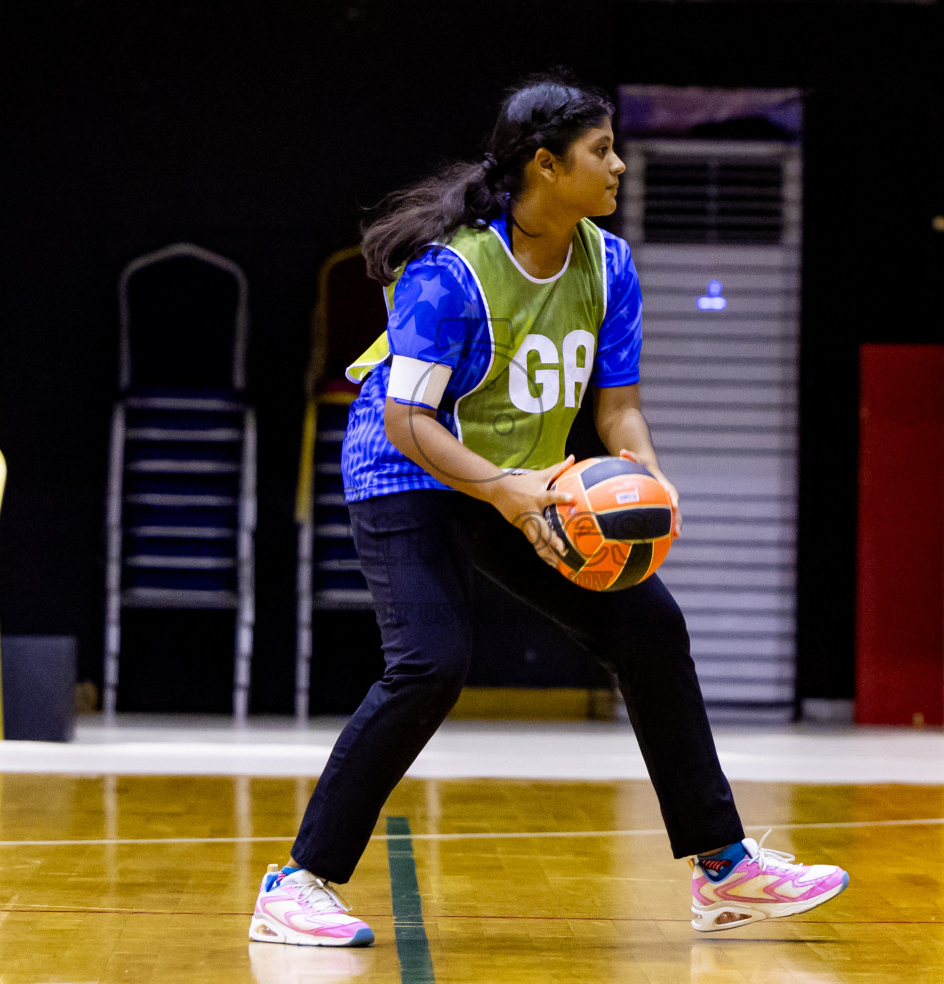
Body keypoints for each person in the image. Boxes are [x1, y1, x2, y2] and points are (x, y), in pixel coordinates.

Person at [249, 72, 848, 947]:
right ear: (545, 164)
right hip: (407, 471)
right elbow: (406, 419)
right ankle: (295, 884)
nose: (619, 167)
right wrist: (499, 489)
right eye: (601, 151)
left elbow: (616, 409)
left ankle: (723, 869)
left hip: (526, 481)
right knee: (430, 664)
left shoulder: (608, 264)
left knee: (649, 628)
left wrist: (647, 473)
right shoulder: (449, 270)